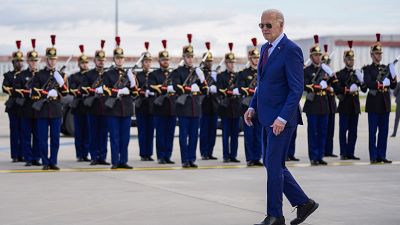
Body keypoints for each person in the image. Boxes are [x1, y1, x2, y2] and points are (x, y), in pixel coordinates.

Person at [244, 9, 318, 225]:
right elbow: (262, 84)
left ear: (281, 25)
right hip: (266, 117)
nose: (264, 29)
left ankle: (275, 215)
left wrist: (283, 118)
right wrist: (252, 107)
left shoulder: (291, 50)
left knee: (274, 166)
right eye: (261, 26)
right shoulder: (265, 49)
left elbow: (296, 89)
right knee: (271, 163)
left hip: (281, 121)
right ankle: (304, 203)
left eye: (268, 25)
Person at [31, 35, 69, 170]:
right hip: (42, 109)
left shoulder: (60, 75)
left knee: (55, 139)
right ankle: (45, 162)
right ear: (46, 59)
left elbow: (65, 93)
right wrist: (47, 93)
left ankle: (53, 161)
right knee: (42, 139)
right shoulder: (39, 75)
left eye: (54, 59)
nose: (52, 62)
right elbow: (33, 92)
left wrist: (61, 83)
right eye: (50, 59)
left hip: (56, 109)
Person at [171, 34, 208, 168]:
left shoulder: (197, 72)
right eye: (188, 56)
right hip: (184, 108)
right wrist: (189, 88)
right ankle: (184, 159)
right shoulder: (178, 72)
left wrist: (202, 79)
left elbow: (205, 91)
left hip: (195, 108)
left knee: (193, 136)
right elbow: (176, 87)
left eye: (192, 56)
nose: (190, 59)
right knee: (183, 136)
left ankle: (192, 159)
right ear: (184, 57)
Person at [362, 33, 397, 164]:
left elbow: (393, 85)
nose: (379, 56)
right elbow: (368, 83)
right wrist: (380, 84)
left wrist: (393, 77)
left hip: (385, 103)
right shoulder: (368, 69)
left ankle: (382, 155)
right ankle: (374, 156)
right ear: (371, 55)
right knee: (373, 132)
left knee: (383, 132)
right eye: (376, 53)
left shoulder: (386, 68)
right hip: (373, 104)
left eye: (380, 53)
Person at [102, 36, 135, 169]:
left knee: (125, 138)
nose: (120, 60)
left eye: (122, 58)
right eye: (117, 58)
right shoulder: (108, 74)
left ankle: (124, 160)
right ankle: (115, 161)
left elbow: (134, 92)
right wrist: (119, 92)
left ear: (124, 59)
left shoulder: (128, 74)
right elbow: (105, 91)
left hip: (126, 109)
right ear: (114, 59)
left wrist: (132, 83)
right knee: (114, 137)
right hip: (113, 110)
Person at [303, 35, 335, 166]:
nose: (318, 57)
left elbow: (334, 83)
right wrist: (317, 86)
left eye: (319, 55)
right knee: (313, 132)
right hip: (313, 104)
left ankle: (320, 155)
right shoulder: (307, 70)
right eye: (315, 55)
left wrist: (329, 82)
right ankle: (313, 157)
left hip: (324, 104)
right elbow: (304, 85)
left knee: (323, 132)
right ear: (311, 57)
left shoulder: (325, 70)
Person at [14, 39, 41, 166]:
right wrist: (28, 92)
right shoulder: (21, 75)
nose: (34, 63)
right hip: (26, 109)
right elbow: (17, 90)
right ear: (28, 61)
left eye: (36, 61)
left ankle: (36, 157)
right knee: (26, 136)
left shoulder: (41, 75)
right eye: (31, 60)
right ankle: (28, 158)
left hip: (38, 109)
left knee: (38, 135)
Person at [148, 40, 176, 164]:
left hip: (172, 107)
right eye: (164, 60)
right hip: (160, 107)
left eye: (167, 60)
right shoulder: (154, 74)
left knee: (170, 133)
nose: (166, 62)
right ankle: (161, 156)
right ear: (159, 61)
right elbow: (151, 86)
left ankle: (168, 155)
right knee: (160, 133)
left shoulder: (173, 74)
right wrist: (164, 88)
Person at [335, 40, 363, 160]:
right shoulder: (340, 74)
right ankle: (343, 153)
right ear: (344, 60)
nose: (351, 61)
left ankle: (351, 152)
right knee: (343, 131)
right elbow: (337, 88)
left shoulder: (357, 73)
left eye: (352, 59)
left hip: (355, 106)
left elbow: (364, 87)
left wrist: (361, 79)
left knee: (353, 132)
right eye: (349, 59)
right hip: (345, 105)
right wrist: (346, 89)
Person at [237, 38, 262, 166]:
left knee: (259, 133)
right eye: (254, 58)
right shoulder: (243, 73)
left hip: (260, 106)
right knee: (249, 134)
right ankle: (250, 158)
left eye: (258, 58)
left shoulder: (263, 73)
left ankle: (258, 157)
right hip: (248, 105)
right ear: (250, 59)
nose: (256, 60)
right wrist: (252, 90)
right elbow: (240, 88)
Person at [85, 40, 110, 165]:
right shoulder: (89, 74)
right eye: (99, 60)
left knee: (104, 134)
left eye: (103, 60)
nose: (101, 62)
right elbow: (84, 89)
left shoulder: (108, 74)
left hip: (105, 107)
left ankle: (103, 157)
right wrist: (94, 91)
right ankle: (94, 156)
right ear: (95, 60)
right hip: (93, 107)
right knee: (94, 133)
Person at [217, 43, 242, 163]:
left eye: (233, 62)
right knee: (226, 134)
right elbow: (220, 90)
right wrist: (230, 91)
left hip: (236, 108)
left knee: (235, 134)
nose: (232, 64)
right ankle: (226, 155)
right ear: (226, 63)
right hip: (226, 108)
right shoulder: (221, 76)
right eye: (229, 62)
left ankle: (234, 155)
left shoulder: (238, 76)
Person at [2, 40, 24, 163]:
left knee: (25, 131)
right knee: (15, 131)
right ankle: (15, 155)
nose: (19, 63)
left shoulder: (27, 74)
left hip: (24, 106)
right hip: (14, 106)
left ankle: (24, 153)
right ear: (13, 62)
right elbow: (5, 87)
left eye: (21, 61)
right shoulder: (9, 75)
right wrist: (16, 90)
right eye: (17, 61)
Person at [68, 45, 91, 162]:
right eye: (82, 63)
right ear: (79, 64)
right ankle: (79, 154)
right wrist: (80, 90)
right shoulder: (74, 76)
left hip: (89, 107)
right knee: (79, 133)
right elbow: (71, 89)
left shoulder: (91, 75)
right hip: (78, 106)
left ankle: (86, 154)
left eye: (86, 62)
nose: (84, 64)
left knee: (87, 132)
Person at [135, 42, 155, 162]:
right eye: (146, 61)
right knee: (142, 131)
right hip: (141, 106)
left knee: (150, 131)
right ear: (142, 63)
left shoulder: (153, 75)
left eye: (149, 61)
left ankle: (149, 153)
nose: (148, 64)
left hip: (151, 106)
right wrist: (143, 92)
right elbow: (136, 89)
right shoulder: (138, 75)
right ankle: (143, 153)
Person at [199, 42, 219, 160]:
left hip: (214, 106)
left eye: (211, 61)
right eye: (207, 61)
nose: (209, 63)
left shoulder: (214, 74)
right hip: (204, 105)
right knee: (205, 131)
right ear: (203, 61)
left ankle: (210, 151)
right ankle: (204, 152)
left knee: (212, 131)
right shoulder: (200, 74)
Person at [322, 44, 338, 158]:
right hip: (323, 102)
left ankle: (329, 150)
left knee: (331, 129)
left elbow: (337, 85)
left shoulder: (331, 72)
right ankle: (322, 150)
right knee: (324, 129)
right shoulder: (321, 73)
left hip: (331, 103)